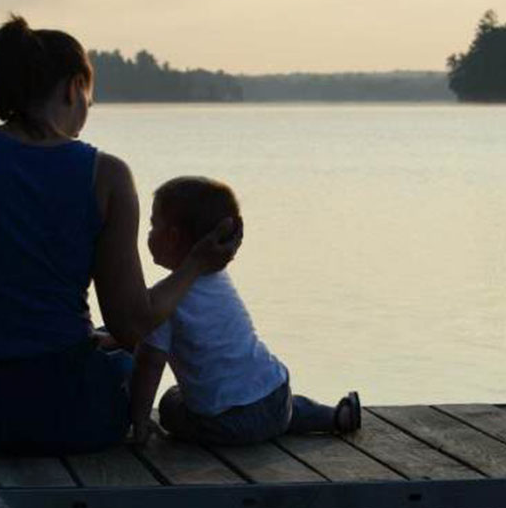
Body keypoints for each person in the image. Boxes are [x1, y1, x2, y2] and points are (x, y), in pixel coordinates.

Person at [0, 15, 240, 456]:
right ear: (74, 88)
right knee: (125, 362)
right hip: (67, 418)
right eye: (89, 96)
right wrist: (195, 266)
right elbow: (131, 327)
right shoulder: (105, 176)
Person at [129, 176, 361, 447]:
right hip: (276, 392)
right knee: (268, 403)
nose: (148, 233)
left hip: (230, 423)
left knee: (171, 403)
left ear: (172, 237)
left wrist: (139, 419)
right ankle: (336, 417)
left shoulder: (164, 302)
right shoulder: (218, 279)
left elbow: (150, 363)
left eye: (152, 224)